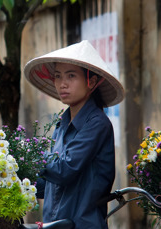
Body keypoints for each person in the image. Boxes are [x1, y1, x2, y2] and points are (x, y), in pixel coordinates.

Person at [23, 40, 125, 229]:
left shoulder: (96, 123)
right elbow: (49, 184)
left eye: (71, 76)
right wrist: (15, 178)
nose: (62, 84)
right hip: (56, 224)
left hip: (83, 224)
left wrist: (31, 156)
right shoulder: (62, 123)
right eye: (58, 76)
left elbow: (64, 170)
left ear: (91, 82)